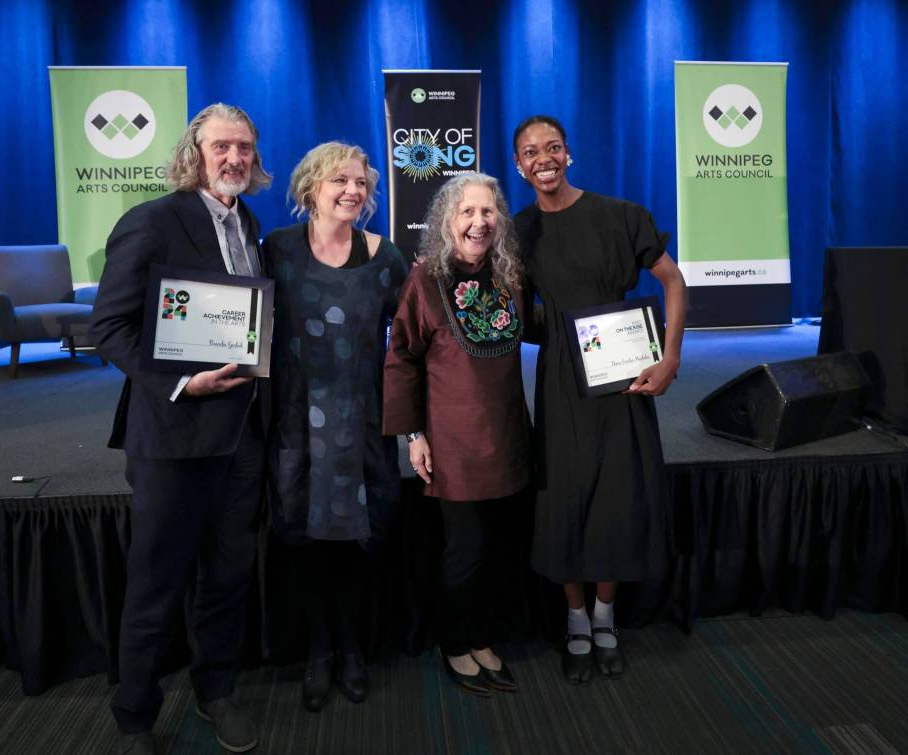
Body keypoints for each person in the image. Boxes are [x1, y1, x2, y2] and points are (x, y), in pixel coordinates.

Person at [90, 103, 272, 755]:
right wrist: (179, 383)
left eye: (245, 148)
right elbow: (107, 327)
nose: (235, 158)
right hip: (172, 436)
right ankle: (135, 712)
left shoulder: (249, 222)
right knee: (157, 579)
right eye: (223, 146)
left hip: (240, 438)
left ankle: (215, 688)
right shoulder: (151, 221)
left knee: (227, 574)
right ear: (194, 151)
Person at [511, 115, 687, 685]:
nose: (544, 158)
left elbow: (674, 281)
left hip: (621, 373)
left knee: (617, 491)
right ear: (519, 166)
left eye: (553, 147)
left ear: (569, 154)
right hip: (561, 378)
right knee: (563, 494)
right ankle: (576, 621)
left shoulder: (621, 215)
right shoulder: (518, 230)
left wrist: (670, 358)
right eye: (531, 152)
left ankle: (606, 618)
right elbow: (513, 310)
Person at [262, 142, 407, 712]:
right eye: (338, 181)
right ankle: (318, 651)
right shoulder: (276, 252)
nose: (351, 191)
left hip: (364, 423)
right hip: (296, 426)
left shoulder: (385, 257)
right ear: (310, 188)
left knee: (356, 544)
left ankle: (351, 649)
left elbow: (417, 341)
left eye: (360, 183)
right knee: (306, 543)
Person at [383, 173, 530, 697]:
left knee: (497, 547)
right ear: (447, 220)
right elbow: (401, 358)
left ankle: (482, 636)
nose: (479, 222)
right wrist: (413, 435)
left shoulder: (510, 272)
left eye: (488, 212)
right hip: (453, 441)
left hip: (508, 434)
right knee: (464, 549)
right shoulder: (425, 279)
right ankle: (454, 642)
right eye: (467, 212)